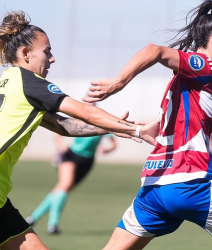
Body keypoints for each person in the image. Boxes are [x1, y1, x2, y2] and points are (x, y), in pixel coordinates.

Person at [85, 1, 212, 249]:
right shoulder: (206, 65)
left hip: (155, 185)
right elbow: (155, 50)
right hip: (188, 182)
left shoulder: (197, 82)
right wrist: (118, 82)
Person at [0, 11, 158, 250]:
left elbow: (61, 125)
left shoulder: (9, 81)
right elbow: (83, 111)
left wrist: (114, 128)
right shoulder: (30, 82)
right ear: (25, 54)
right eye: (47, 51)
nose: (52, 59)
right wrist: (136, 129)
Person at [25, 129, 117, 234]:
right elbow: (58, 134)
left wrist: (107, 150)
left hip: (87, 162)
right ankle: (52, 225)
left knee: (61, 190)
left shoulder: (103, 125)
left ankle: (32, 218)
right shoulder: (82, 121)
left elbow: (114, 144)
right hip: (71, 156)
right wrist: (61, 145)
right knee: (65, 185)